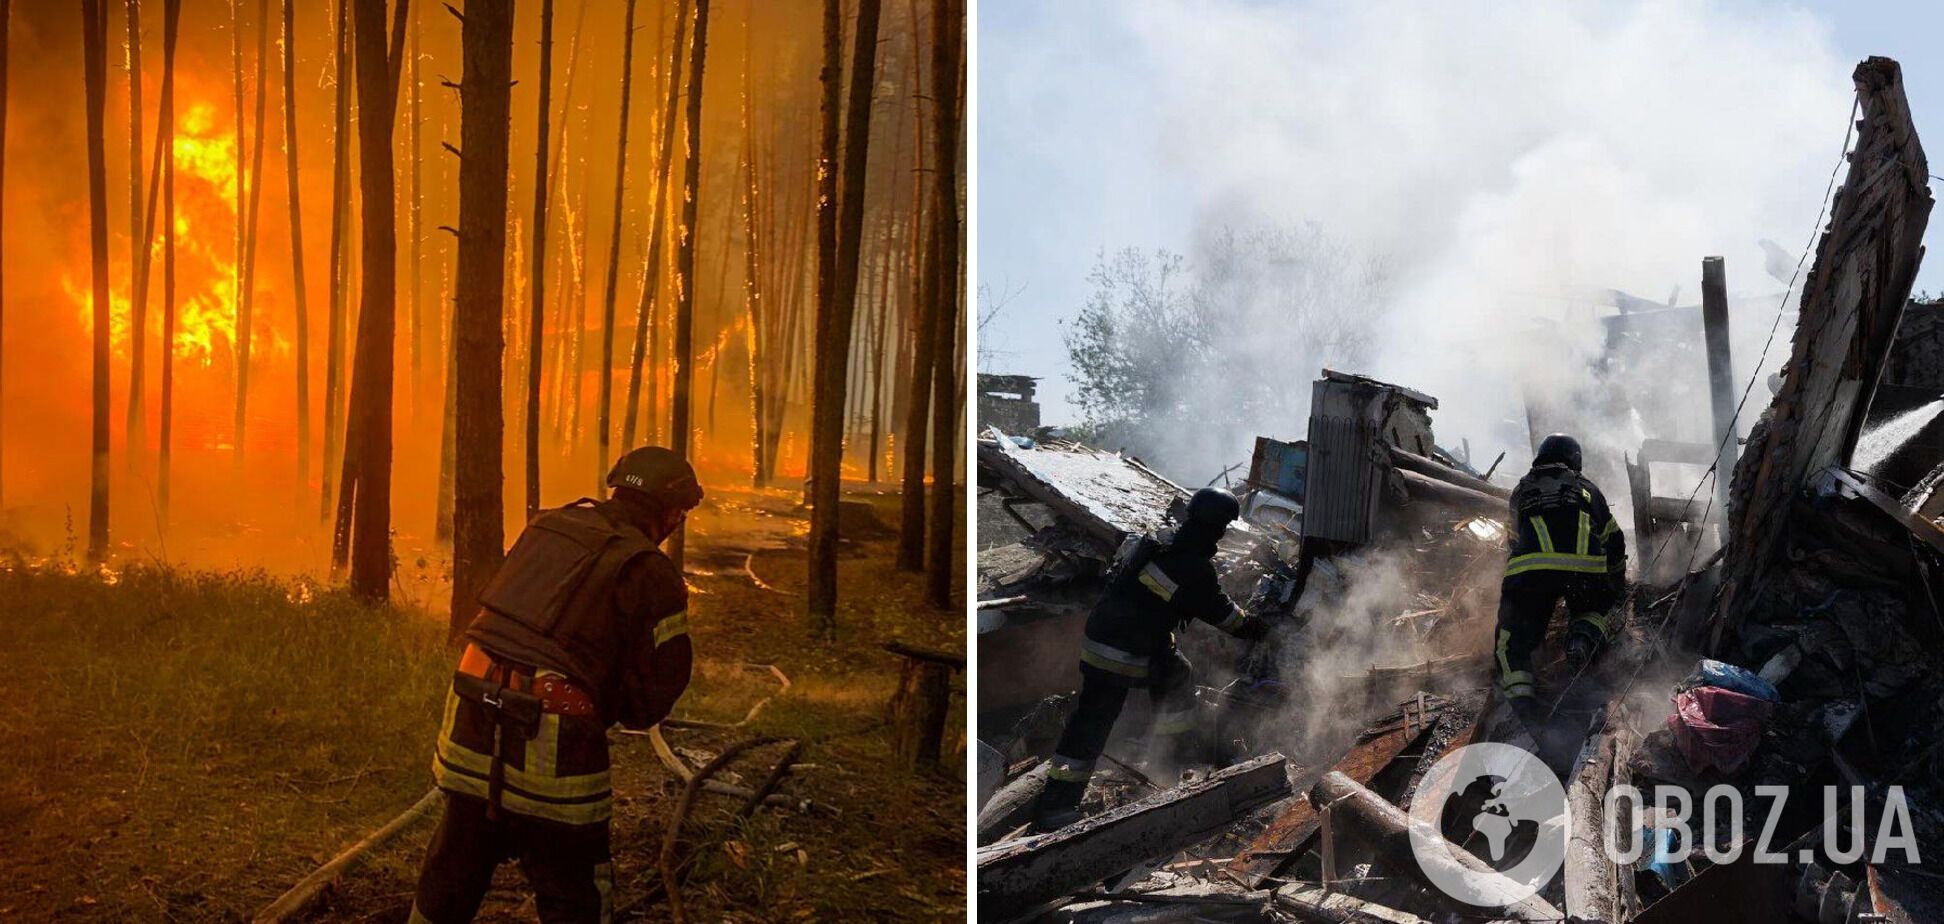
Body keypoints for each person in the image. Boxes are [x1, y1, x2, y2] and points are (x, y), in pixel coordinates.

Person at [410, 446, 702, 923]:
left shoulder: (548, 525)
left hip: (467, 713)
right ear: (669, 512)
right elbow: (652, 698)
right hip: (553, 748)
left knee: (457, 858)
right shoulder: (650, 572)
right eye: (681, 513)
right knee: (574, 881)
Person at [1030, 487, 1269, 831]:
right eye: (1223, 527)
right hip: (1120, 648)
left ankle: (1176, 760)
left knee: (1177, 675)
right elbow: (1224, 616)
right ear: (1216, 527)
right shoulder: (1192, 565)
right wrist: (1260, 628)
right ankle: (1056, 807)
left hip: (1119, 635)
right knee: (1095, 720)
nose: (1222, 534)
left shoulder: (1161, 540)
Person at [1493, 434, 1626, 716]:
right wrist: (1615, 584)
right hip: (1584, 570)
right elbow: (1614, 538)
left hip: (1530, 571)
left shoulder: (1521, 491)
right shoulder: (1587, 489)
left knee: (1512, 639)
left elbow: (1512, 540)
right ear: (1575, 459)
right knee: (1593, 611)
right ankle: (1581, 641)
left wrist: (1524, 585)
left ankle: (1522, 703)